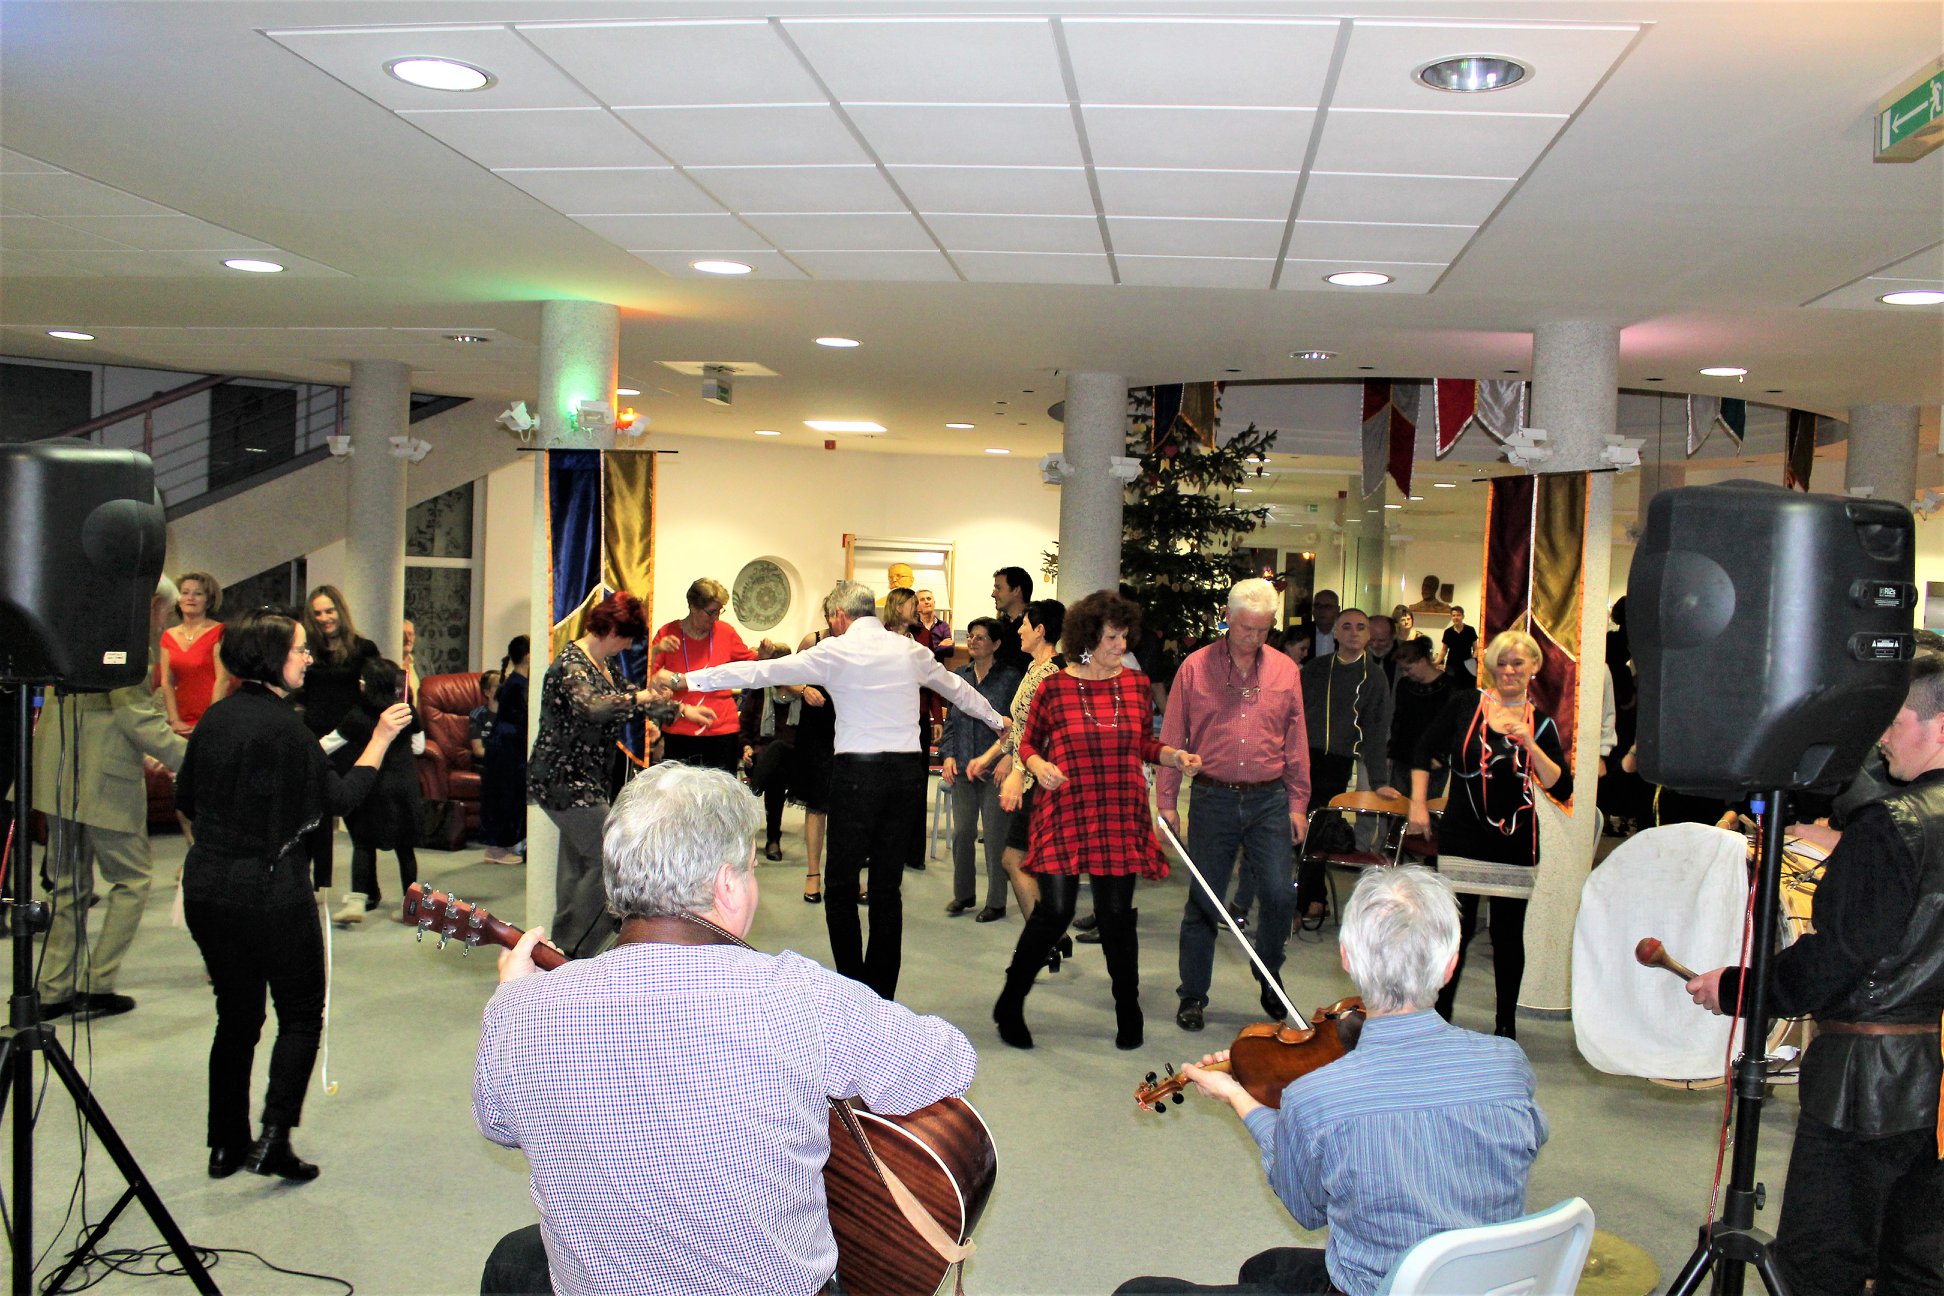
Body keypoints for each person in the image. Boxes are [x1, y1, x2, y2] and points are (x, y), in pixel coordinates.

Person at [473, 761, 977, 1296]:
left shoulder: (521, 1009)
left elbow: (498, 1124)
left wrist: (513, 998)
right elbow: (951, 1060)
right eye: (751, 869)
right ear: (728, 886)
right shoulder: (799, 994)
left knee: (512, 1261)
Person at [1114, 866, 1549, 1296]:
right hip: (1482, 1284)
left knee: (1137, 1292)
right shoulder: (1508, 1065)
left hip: (1376, 1289)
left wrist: (1241, 1100)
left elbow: (1308, 1209)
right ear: (1451, 965)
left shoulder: (1318, 1097)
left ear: (1346, 957)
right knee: (1264, 1267)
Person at [1685, 654, 1944, 1296]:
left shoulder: (1894, 823)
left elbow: (1837, 960)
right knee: (1917, 1261)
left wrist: (1737, 988)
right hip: (1934, 1083)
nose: (1882, 739)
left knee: (1823, 1259)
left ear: (1938, 726)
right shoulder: (1898, 823)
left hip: (1868, 1084)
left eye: (1895, 721)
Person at [661, 580, 1008, 1000]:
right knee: (887, 888)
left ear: (840, 616)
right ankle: (881, 995)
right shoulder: (910, 650)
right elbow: (958, 689)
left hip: (857, 775)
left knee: (841, 885)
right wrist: (997, 721)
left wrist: (683, 680)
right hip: (905, 776)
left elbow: (759, 672)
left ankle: (852, 989)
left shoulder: (834, 651)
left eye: (831, 617)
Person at [175, 607, 412, 1181]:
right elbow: (343, 798)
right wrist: (381, 737)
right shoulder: (287, 728)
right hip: (270, 890)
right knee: (301, 1015)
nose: (307, 659)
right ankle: (273, 1140)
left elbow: (186, 799)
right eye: (299, 650)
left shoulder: (216, 718)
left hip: (207, 886)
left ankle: (226, 1145)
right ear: (272, 659)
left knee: (236, 1017)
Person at [992, 589, 1202, 1051]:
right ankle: (1010, 1001)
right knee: (1055, 912)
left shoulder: (1135, 685)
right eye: (1111, 637)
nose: (1120, 646)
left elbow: (1142, 742)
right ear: (1088, 638)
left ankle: (1128, 1008)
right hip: (1065, 809)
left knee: (1116, 917)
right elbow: (1028, 743)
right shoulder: (1054, 687)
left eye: (1125, 636)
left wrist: (1173, 756)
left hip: (1119, 811)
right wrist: (1037, 765)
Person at [27, 574, 188, 1020]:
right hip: (105, 783)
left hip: (58, 778)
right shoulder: (127, 650)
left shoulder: (75, 633)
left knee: (67, 885)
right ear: (151, 604)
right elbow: (138, 721)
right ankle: (96, 985)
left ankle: (54, 989)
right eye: (165, 612)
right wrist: (197, 757)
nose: (164, 623)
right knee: (132, 880)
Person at [1160, 579, 1311, 1034]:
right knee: (1205, 899)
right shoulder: (1194, 667)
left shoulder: (1285, 670)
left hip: (1270, 799)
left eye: (1263, 630)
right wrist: (1166, 801)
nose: (1254, 638)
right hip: (1213, 797)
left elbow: (1296, 741)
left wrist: (1298, 802)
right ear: (1228, 619)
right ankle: (1192, 994)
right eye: (1246, 628)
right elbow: (1173, 736)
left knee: (1280, 894)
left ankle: (1269, 971)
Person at [1406, 629, 1571, 1039]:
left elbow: (1561, 786)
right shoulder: (1465, 704)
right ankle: (1439, 1018)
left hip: (1514, 840)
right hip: (1462, 834)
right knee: (1454, 933)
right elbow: (1421, 748)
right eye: (1502, 662)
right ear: (1490, 666)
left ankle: (1505, 1027)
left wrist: (1531, 744)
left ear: (1534, 668)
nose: (1509, 670)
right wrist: (1418, 803)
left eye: (1518, 663)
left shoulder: (1541, 722)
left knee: (1508, 936)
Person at [530, 592, 705, 957]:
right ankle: (572, 950)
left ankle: (560, 950)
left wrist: (682, 711)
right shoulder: (570, 665)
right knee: (610, 856)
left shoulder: (602, 664)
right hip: (562, 781)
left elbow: (631, 697)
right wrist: (641, 698)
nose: (627, 646)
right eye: (626, 638)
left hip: (587, 780)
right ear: (611, 630)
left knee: (578, 867)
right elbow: (595, 708)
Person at [970, 598, 1066, 923]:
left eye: (1024, 625)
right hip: (1030, 777)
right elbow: (1020, 729)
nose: (1019, 630)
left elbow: (1044, 736)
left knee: (1016, 860)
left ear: (1040, 630)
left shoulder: (1051, 674)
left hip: (1042, 781)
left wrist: (1018, 769)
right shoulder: (1033, 668)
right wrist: (987, 757)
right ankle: (1048, 939)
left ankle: (1044, 939)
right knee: (1022, 861)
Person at [1296, 607, 1391, 923]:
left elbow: (1376, 731)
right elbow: (1293, 714)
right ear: (1335, 633)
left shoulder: (1374, 677)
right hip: (1301, 758)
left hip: (1336, 764)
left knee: (1315, 828)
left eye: (1360, 627)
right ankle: (1313, 897)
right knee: (1298, 828)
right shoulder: (1315, 668)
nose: (1353, 632)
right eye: (1346, 626)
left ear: (1369, 635)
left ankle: (1306, 900)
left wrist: (1379, 781)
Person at [326, 657, 424, 926]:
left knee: (363, 843)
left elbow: (330, 743)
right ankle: (413, 908)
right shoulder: (406, 710)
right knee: (405, 848)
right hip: (404, 785)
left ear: (365, 685)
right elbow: (419, 747)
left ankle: (357, 901)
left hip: (371, 787)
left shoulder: (357, 715)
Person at [296, 584, 379, 892]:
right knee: (311, 817)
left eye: (329, 611)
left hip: (351, 741)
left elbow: (374, 695)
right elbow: (301, 693)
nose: (324, 618)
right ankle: (310, 885)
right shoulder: (307, 652)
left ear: (340, 611)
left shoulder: (363, 648)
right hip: (315, 740)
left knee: (358, 819)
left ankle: (366, 890)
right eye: (317, 613)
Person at [939, 617, 1020, 918]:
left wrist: (1009, 759)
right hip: (963, 765)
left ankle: (996, 901)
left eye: (980, 637)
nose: (973, 641)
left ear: (996, 644)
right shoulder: (959, 676)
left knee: (995, 837)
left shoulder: (1011, 678)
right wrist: (948, 755)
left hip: (997, 768)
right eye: (970, 636)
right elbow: (951, 720)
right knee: (962, 833)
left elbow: (1018, 725)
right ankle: (964, 894)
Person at [649, 577, 756, 774]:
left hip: (722, 730)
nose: (716, 618)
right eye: (711, 612)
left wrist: (764, 654)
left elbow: (751, 663)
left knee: (721, 790)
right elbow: (650, 679)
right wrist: (655, 652)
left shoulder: (726, 632)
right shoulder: (668, 633)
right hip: (680, 728)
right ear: (693, 607)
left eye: (719, 611)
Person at [1382, 638, 1463, 798]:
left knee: (1426, 807)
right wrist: (1391, 752)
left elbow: (1454, 728)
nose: (1405, 674)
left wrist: (1441, 755)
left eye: (1408, 669)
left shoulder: (1450, 688)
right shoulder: (1405, 685)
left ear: (1422, 661)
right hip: (1403, 757)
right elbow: (1398, 720)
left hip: (1432, 761)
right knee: (1398, 807)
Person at [159, 570, 229, 736]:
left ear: (208, 601)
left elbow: (223, 680)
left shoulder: (219, 632)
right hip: (180, 719)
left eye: (198, 594)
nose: (190, 598)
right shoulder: (168, 635)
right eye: (185, 593)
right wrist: (174, 720)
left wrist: (209, 721)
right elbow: (166, 682)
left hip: (213, 718)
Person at [480, 636, 530, 866]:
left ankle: (508, 844)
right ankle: (496, 848)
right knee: (504, 796)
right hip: (507, 747)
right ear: (528, 656)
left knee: (511, 795)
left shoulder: (517, 682)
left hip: (510, 745)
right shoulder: (517, 685)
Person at [991, 565, 1034, 674]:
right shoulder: (994, 628)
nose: (993, 594)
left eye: (998, 588)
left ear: (1016, 590)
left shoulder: (1036, 627)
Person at [916, 588, 954, 662]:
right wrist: (939, 647)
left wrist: (924, 651)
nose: (927, 602)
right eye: (922, 600)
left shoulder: (943, 625)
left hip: (937, 666)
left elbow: (949, 651)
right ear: (916, 606)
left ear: (934, 603)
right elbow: (913, 653)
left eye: (929, 599)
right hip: (918, 667)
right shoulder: (912, 626)